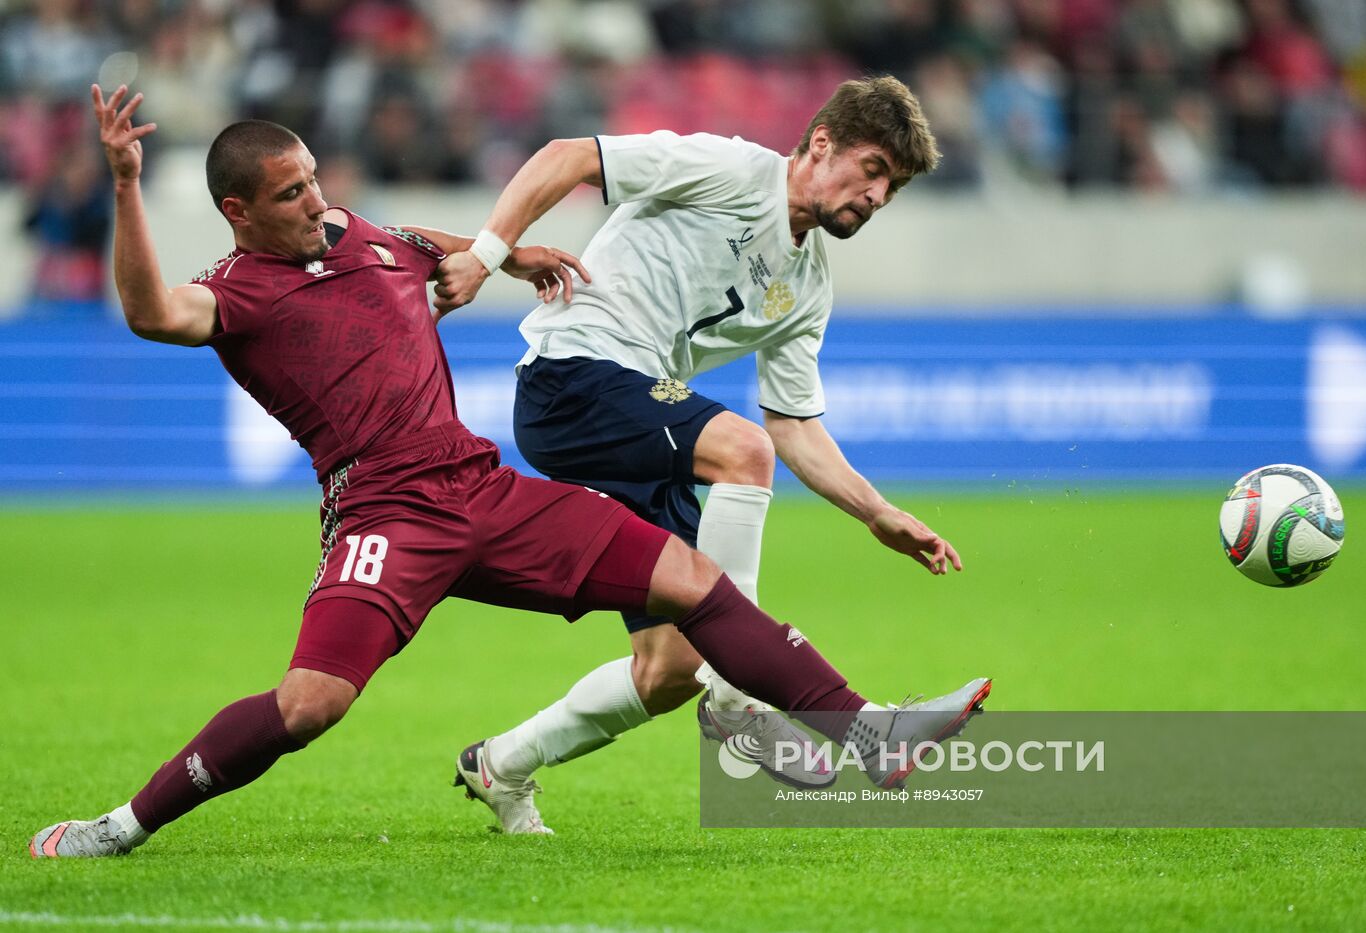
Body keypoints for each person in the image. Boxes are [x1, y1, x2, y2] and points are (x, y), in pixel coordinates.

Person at [29, 85, 989, 858]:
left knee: (692, 599)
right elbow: (152, 312)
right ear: (239, 212)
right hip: (383, 514)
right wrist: (122, 185)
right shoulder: (230, 295)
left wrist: (508, 253)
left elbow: (424, 249)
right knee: (311, 703)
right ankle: (122, 825)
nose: (317, 202)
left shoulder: (362, 236)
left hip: (481, 488)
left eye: (316, 181)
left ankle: (867, 735)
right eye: (291, 196)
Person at [429, 76, 980, 834]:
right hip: (573, 379)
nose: (879, 196)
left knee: (668, 668)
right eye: (874, 169)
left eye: (895, 186)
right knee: (739, 451)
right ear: (821, 144)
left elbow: (793, 424)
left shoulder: (810, 281)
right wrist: (487, 256)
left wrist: (876, 512)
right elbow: (566, 156)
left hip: (641, 417)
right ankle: (744, 695)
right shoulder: (726, 169)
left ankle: (501, 765)